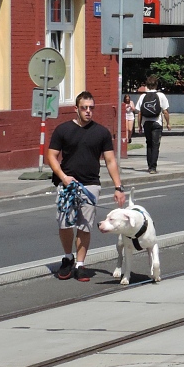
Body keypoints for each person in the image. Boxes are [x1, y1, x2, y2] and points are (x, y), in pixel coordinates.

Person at [46, 91, 126, 282]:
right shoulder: (63, 130)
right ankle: (68, 258)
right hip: (67, 185)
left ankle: (80, 265)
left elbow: (110, 161)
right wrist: (64, 177)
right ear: (76, 109)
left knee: (85, 225)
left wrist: (118, 187)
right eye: (84, 108)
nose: (88, 111)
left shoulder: (101, 132)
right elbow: (51, 156)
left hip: (90, 185)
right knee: (65, 223)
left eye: (91, 108)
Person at [135, 75, 171, 174]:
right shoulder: (161, 96)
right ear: (156, 85)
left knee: (149, 144)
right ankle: (153, 167)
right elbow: (165, 111)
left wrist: (139, 126)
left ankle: (149, 166)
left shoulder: (143, 96)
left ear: (147, 85)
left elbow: (139, 113)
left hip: (146, 123)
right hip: (157, 122)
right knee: (156, 145)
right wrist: (168, 123)